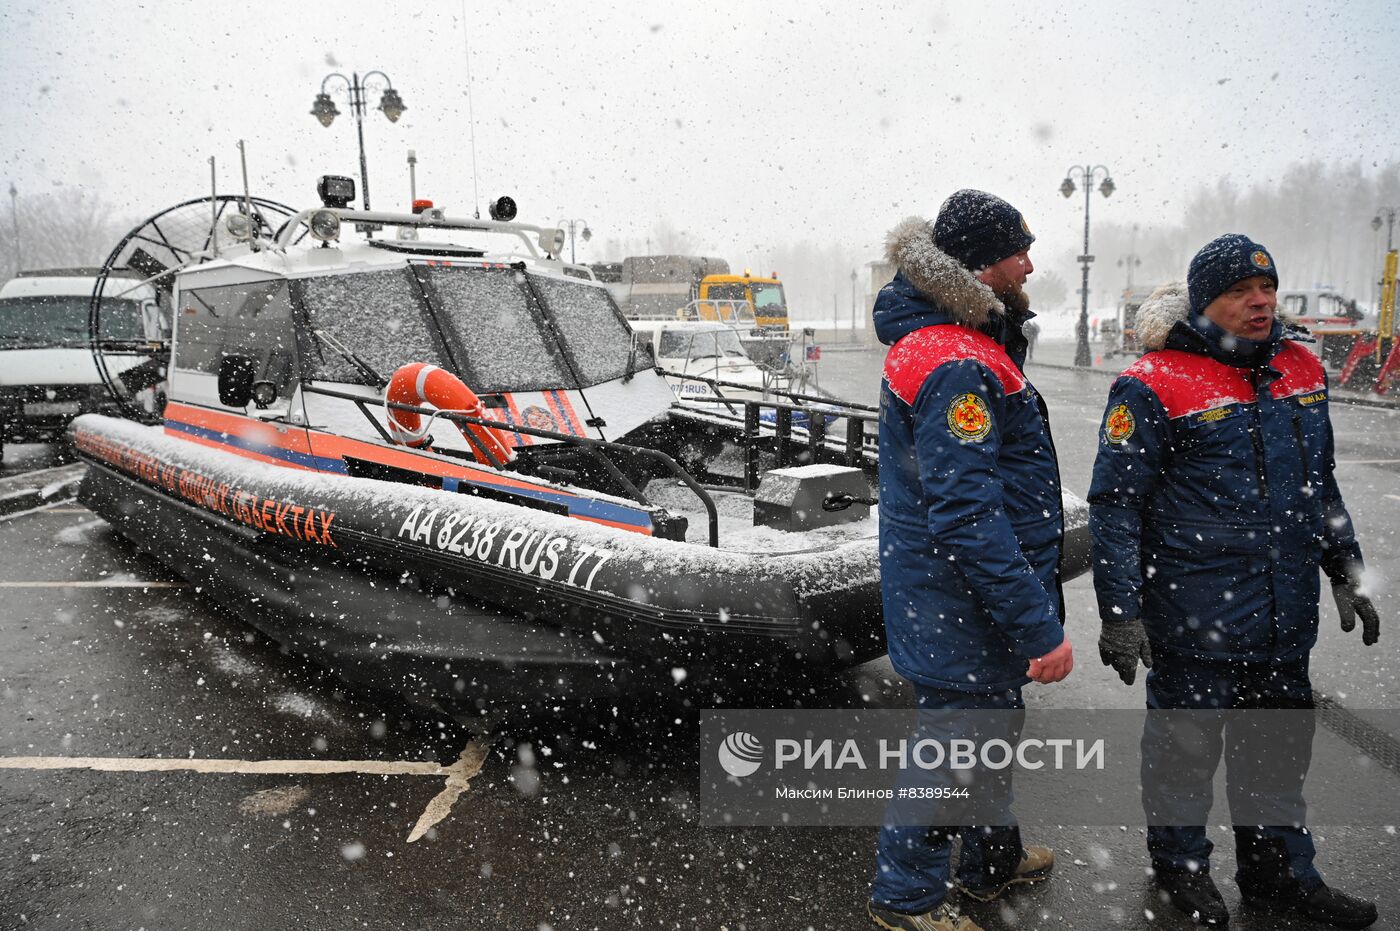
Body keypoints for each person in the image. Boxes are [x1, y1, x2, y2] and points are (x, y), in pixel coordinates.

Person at [1088, 234, 1381, 929]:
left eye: (1268, 287)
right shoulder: (1153, 382)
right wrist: (1121, 610)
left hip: (1283, 617)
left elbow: (1321, 484)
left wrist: (1347, 568)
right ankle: (1180, 872)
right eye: (1241, 292)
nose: (1260, 302)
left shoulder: (1302, 367)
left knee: (1278, 754)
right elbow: (1117, 505)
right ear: (1206, 302)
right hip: (1193, 616)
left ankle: (1279, 875)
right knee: (1184, 756)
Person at [868, 189, 1074, 931]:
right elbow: (966, 514)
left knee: (986, 731)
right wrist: (1038, 625)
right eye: (1020, 249)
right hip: (958, 602)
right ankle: (906, 899)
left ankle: (992, 860)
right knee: (958, 745)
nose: (1030, 262)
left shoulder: (958, 342)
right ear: (982, 266)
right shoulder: (955, 360)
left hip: (952, 599)